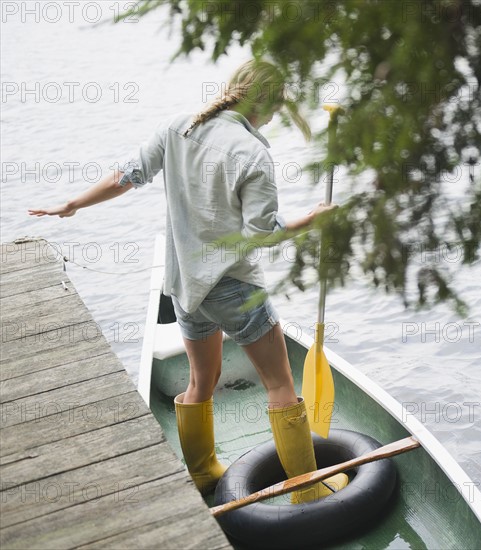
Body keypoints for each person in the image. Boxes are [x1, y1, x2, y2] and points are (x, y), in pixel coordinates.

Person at [28, 59, 348, 503]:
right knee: (280, 384)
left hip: (184, 286)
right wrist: (310, 219)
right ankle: (307, 492)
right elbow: (261, 234)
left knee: (201, 380)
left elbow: (126, 176)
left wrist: (74, 203)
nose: (277, 113)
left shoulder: (178, 127)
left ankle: (202, 475)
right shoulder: (253, 154)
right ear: (266, 101)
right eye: (277, 104)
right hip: (233, 287)